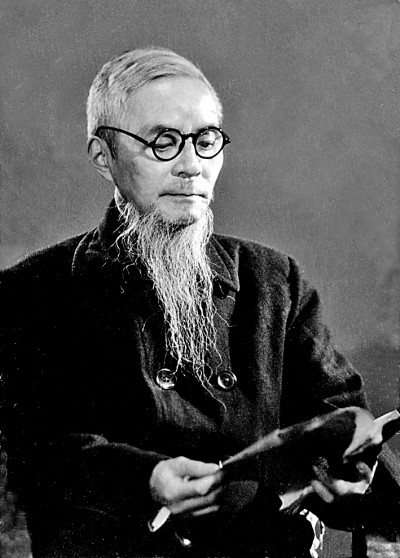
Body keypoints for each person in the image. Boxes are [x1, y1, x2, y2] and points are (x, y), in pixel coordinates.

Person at [0, 47, 399, 558]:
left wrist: (349, 475)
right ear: (104, 156)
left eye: (206, 141)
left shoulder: (275, 282)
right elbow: (36, 450)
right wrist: (146, 479)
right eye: (162, 142)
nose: (191, 166)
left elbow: (340, 419)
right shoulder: (34, 290)